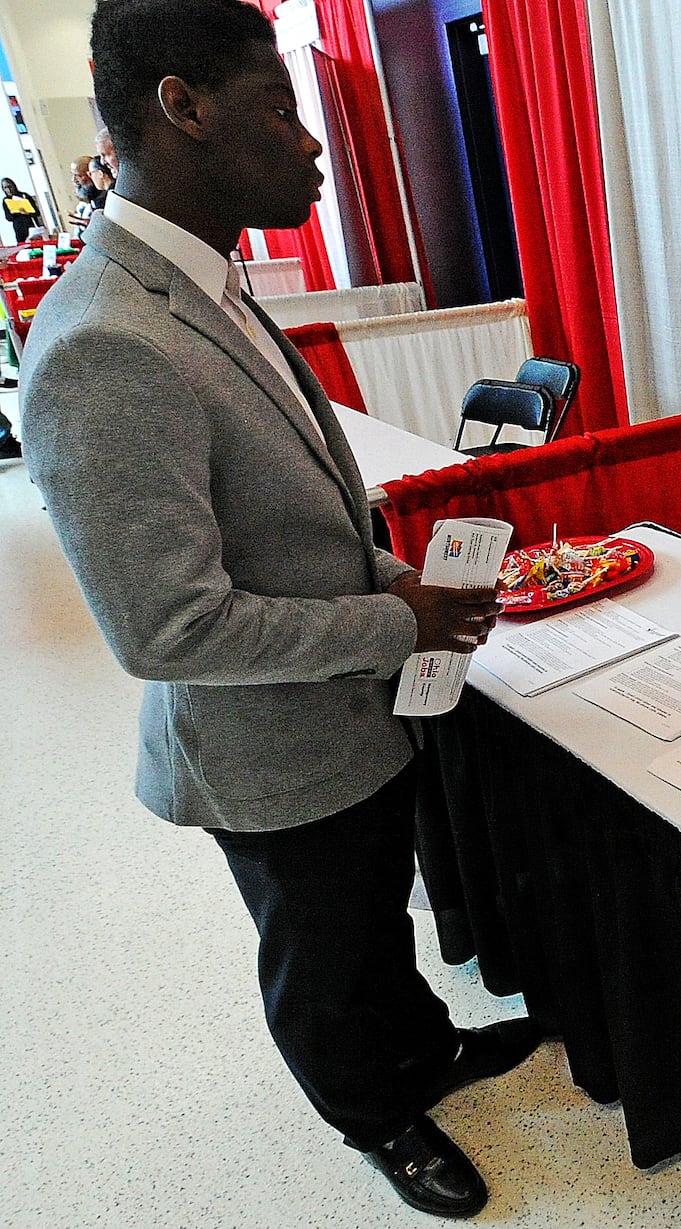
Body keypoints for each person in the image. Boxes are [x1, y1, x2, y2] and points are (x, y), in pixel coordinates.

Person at [21, 0, 535, 1217]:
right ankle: (376, 1116)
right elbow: (167, 629)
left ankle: (420, 1055)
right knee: (324, 956)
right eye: (278, 106)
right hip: (264, 748)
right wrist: (399, 623)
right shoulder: (105, 341)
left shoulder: (200, 282)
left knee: (370, 926)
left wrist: (384, 570)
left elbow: (289, 492)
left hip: (345, 717)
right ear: (181, 108)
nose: (310, 142)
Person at [2, 177, 40, 243]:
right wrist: (16, 212)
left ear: (14, 186)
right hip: (19, 230)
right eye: (5, 188)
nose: (8, 190)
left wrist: (27, 212)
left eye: (9, 186)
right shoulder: (6, 200)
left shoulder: (24, 196)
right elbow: (8, 217)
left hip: (31, 227)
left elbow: (37, 213)